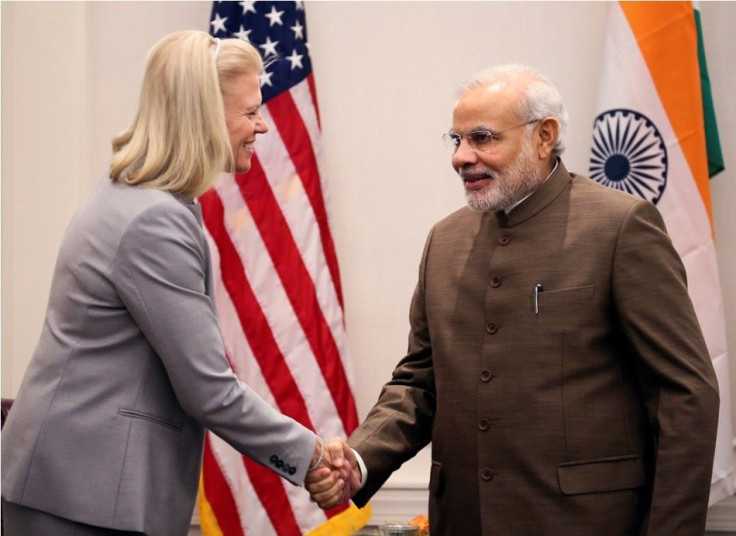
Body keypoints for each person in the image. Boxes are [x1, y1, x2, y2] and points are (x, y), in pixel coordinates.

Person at [306, 63, 720, 535]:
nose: (462, 157)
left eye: (482, 138)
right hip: (463, 520)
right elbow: (420, 381)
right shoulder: (445, 240)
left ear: (544, 137)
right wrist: (360, 459)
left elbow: (684, 394)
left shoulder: (621, 227)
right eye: (456, 140)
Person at [1, 31, 348, 536]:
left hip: (84, 487)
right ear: (203, 114)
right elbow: (207, 389)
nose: (263, 125)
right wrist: (311, 454)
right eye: (250, 111)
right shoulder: (153, 220)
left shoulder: (139, 197)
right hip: (83, 497)